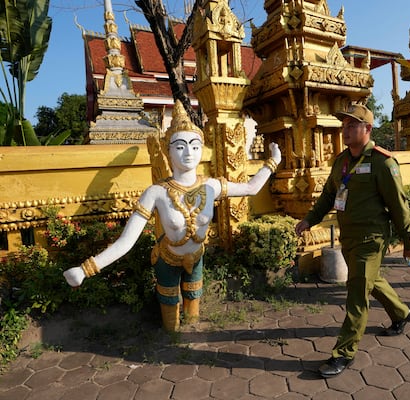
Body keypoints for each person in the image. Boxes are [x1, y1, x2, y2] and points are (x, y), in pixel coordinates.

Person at [63, 100, 281, 332]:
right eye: (179, 146)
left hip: (196, 256)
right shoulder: (156, 193)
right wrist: (85, 270)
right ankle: (171, 339)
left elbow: (250, 188)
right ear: (167, 150)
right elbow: (126, 242)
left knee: (193, 311)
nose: (189, 152)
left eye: (195, 146)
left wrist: (273, 161)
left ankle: (191, 340)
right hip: (167, 258)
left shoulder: (211, 187)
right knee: (171, 318)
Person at [295, 103, 410, 378]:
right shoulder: (341, 161)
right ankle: (401, 314)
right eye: (344, 125)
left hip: (371, 239)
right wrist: (309, 220)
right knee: (370, 280)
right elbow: (329, 195)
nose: (346, 130)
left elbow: (399, 206)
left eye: (352, 125)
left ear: (368, 129)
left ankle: (344, 353)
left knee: (356, 296)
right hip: (349, 237)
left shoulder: (382, 162)